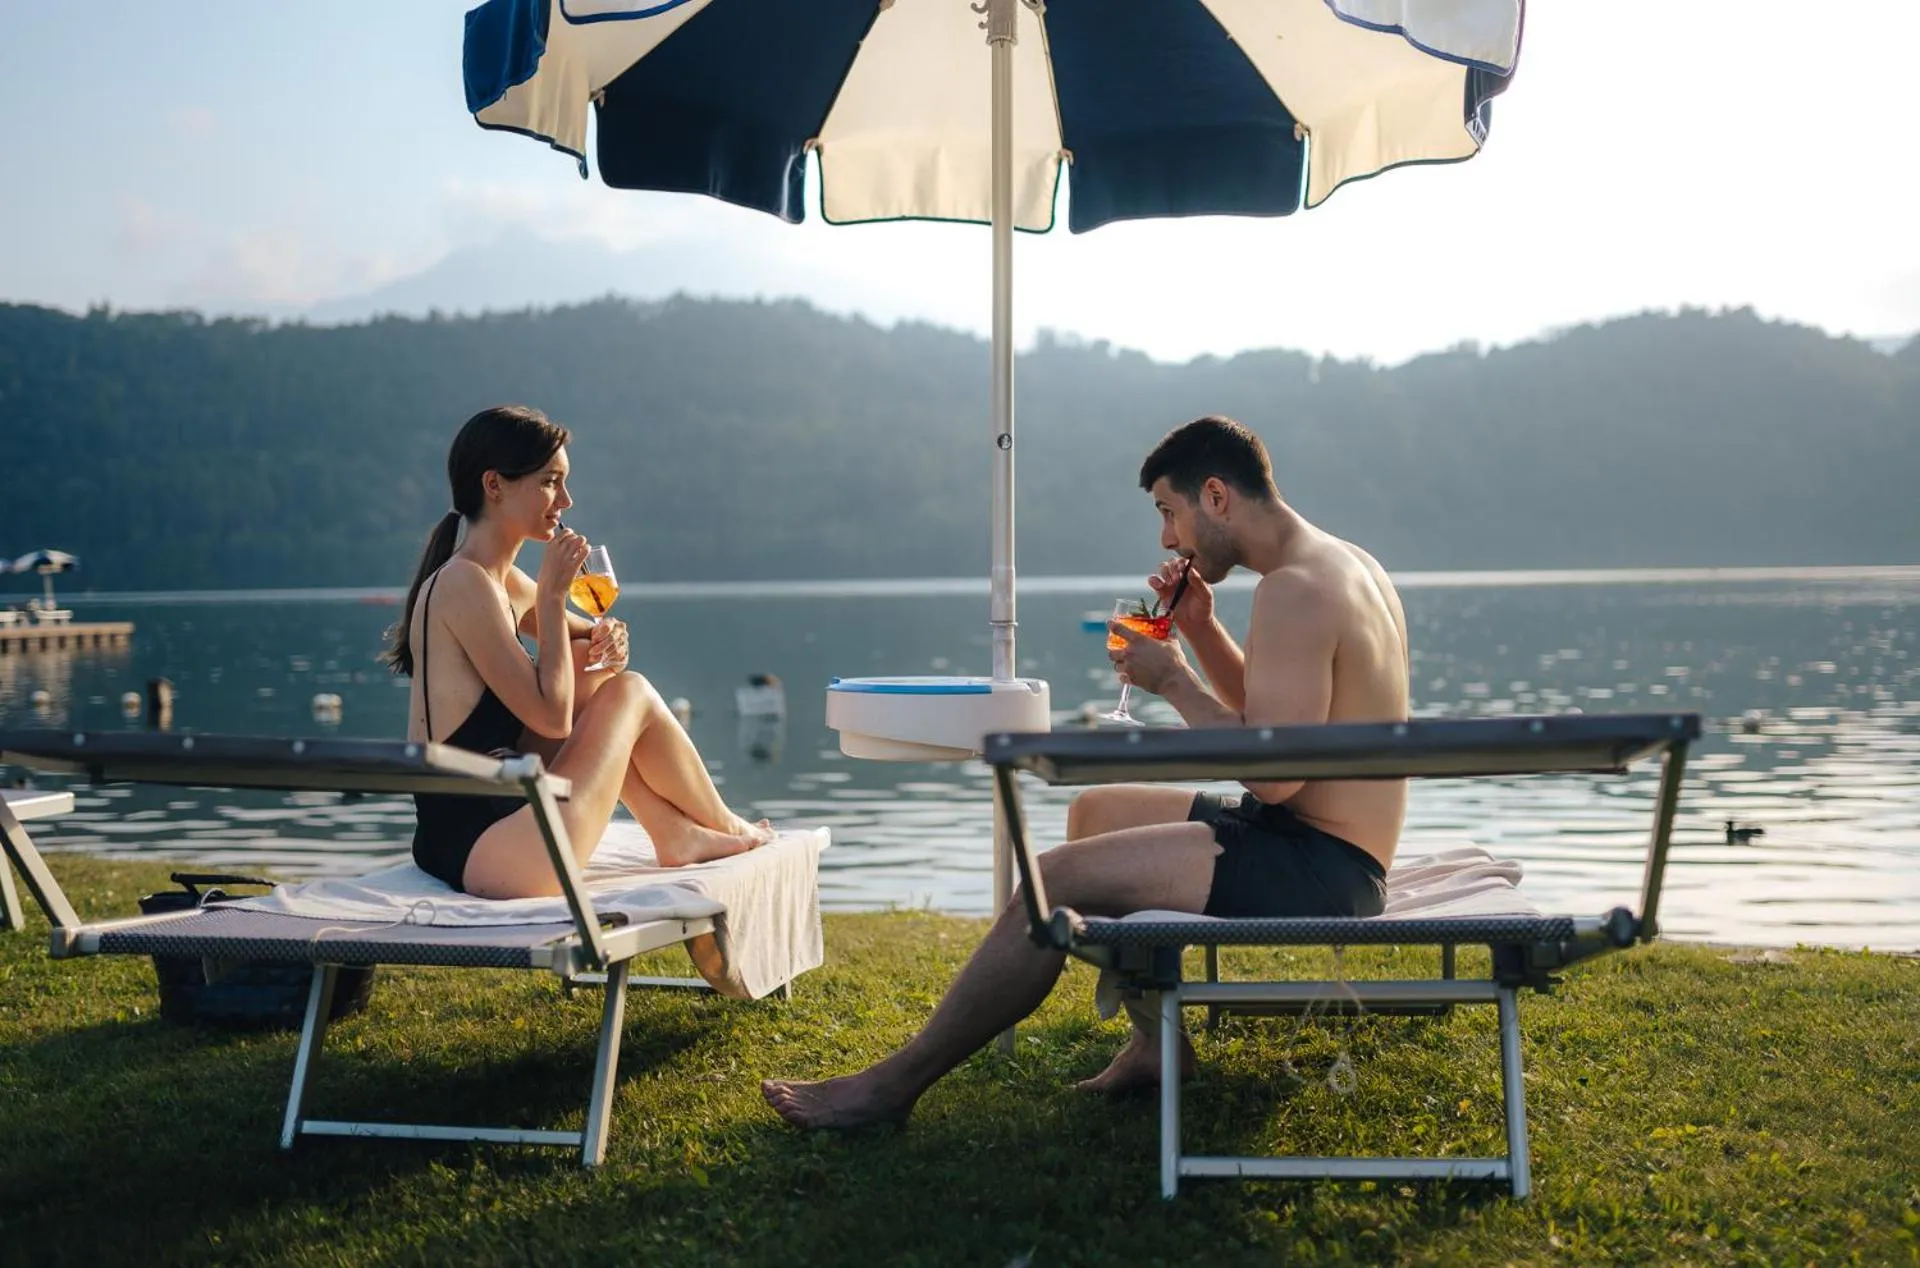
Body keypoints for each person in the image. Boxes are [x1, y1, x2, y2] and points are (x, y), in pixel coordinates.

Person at [762, 414, 1410, 1128]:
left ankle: (892, 1086)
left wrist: (1173, 684)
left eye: (1170, 512)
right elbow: (1278, 716)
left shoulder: (1294, 590)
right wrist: (1199, 630)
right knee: (1097, 812)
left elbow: (1275, 775)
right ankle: (1157, 1043)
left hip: (1319, 870)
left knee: (1052, 881)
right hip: (1316, 844)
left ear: (1216, 496)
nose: (1168, 537)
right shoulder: (1340, 564)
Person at [383, 404, 771, 899]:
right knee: (630, 692)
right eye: (550, 482)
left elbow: (593, 655)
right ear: (494, 485)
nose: (565, 499)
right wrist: (550, 595)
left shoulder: (501, 582)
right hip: (489, 845)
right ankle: (726, 826)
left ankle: (675, 832)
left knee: (601, 677)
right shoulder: (465, 583)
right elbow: (551, 719)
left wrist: (611, 639)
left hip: (480, 835)